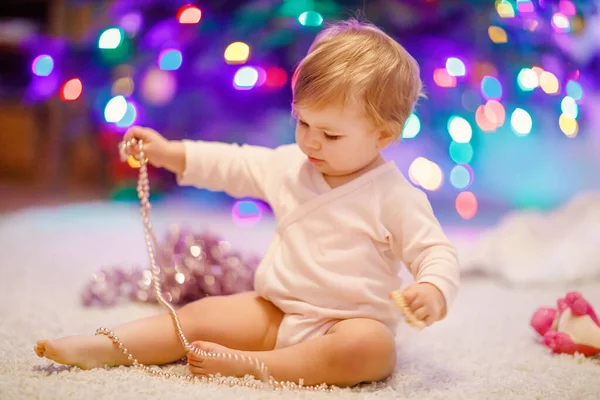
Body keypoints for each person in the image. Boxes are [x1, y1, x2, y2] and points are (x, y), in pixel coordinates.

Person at [34, 18, 460, 388]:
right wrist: (169, 153)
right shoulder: (292, 165)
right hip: (276, 311)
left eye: (331, 135)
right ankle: (107, 346)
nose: (311, 140)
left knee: (373, 350)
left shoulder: (395, 196)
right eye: (303, 121)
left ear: (383, 136)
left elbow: (435, 252)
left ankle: (258, 367)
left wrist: (432, 290)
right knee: (200, 315)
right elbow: (233, 163)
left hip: (345, 325)